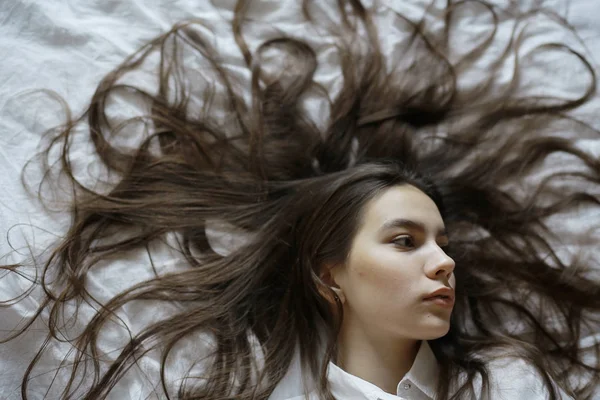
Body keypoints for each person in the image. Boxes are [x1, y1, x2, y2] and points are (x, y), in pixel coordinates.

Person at [1, 1, 599, 399]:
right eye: (404, 240)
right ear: (327, 273)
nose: (445, 261)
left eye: (442, 242)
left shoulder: (508, 379)